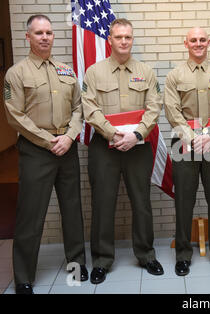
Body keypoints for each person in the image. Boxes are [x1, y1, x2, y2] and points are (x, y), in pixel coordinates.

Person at [3, 15, 88, 294]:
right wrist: (48, 140)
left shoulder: (67, 71)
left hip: (67, 147)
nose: (45, 37)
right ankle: (24, 277)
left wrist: (69, 136)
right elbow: (14, 116)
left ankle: (77, 264)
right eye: (38, 33)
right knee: (31, 214)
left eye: (49, 32)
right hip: (36, 151)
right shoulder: (16, 73)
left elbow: (79, 108)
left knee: (72, 211)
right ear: (28, 37)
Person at [82, 18, 164, 284]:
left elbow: (154, 107)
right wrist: (113, 134)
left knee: (142, 202)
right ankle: (102, 261)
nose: (124, 41)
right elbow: (89, 108)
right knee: (103, 204)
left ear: (132, 39)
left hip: (138, 147)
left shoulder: (146, 71)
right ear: (110, 40)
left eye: (128, 37)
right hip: (104, 148)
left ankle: (146, 255)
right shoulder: (94, 72)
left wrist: (137, 135)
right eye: (119, 37)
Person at [164, 27, 210, 276]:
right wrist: (193, 138)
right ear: (186, 43)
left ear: (209, 42)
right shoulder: (175, 75)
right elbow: (171, 110)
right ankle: (182, 254)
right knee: (184, 200)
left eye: (202, 40)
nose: (198, 43)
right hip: (184, 143)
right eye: (193, 40)